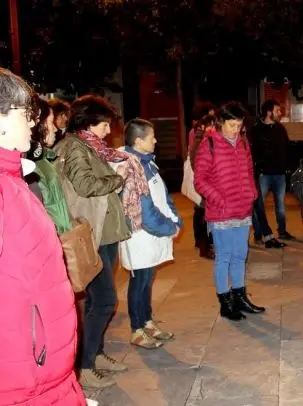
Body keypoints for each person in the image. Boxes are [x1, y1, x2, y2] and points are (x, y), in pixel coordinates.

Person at [0, 68, 87, 405]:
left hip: (44, 372)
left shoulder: (13, 179)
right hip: (24, 378)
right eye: (26, 113)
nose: (34, 122)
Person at [55, 95, 131, 389]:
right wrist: (117, 179)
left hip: (104, 234)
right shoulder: (75, 147)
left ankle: (96, 354)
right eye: (104, 124)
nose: (108, 130)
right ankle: (85, 366)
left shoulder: (91, 146)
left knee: (97, 301)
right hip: (92, 236)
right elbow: (86, 185)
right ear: (88, 122)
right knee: (105, 300)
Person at [114, 119, 181, 348]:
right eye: (151, 137)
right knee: (139, 281)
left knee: (147, 279)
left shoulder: (146, 162)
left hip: (151, 234)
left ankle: (147, 321)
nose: (156, 140)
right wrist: (169, 227)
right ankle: (136, 329)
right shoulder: (132, 167)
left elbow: (163, 194)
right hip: (140, 235)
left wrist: (175, 218)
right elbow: (145, 210)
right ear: (138, 141)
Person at [194, 102, 264, 321]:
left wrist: (252, 192)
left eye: (239, 125)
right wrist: (219, 199)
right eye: (232, 125)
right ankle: (225, 302)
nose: (236, 130)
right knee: (224, 257)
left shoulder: (243, 143)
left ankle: (240, 297)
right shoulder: (209, 144)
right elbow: (200, 180)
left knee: (240, 255)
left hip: (243, 209)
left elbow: (249, 170)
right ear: (220, 122)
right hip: (221, 212)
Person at [250, 99, 294, 249]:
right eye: (277, 110)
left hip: (280, 173)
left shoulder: (280, 128)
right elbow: (253, 150)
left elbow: (287, 147)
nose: (280, 113)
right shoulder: (256, 129)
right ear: (269, 112)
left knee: (280, 205)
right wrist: (259, 166)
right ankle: (258, 234)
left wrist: (288, 166)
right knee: (258, 205)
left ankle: (282, 231)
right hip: (264, 174)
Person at [27, 97, 73, 234]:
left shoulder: (44, 159)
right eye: (51, 122)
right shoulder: (33, 165)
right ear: (39, 124)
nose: (55, 128)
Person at [187, 102, 216, 259]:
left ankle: (204, 242)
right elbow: (194, 158)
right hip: (203, 181)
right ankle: (203, 244)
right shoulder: (197, 135)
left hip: (206, 181)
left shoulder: (205, 135)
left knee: (202, 211)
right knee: (202, 212)